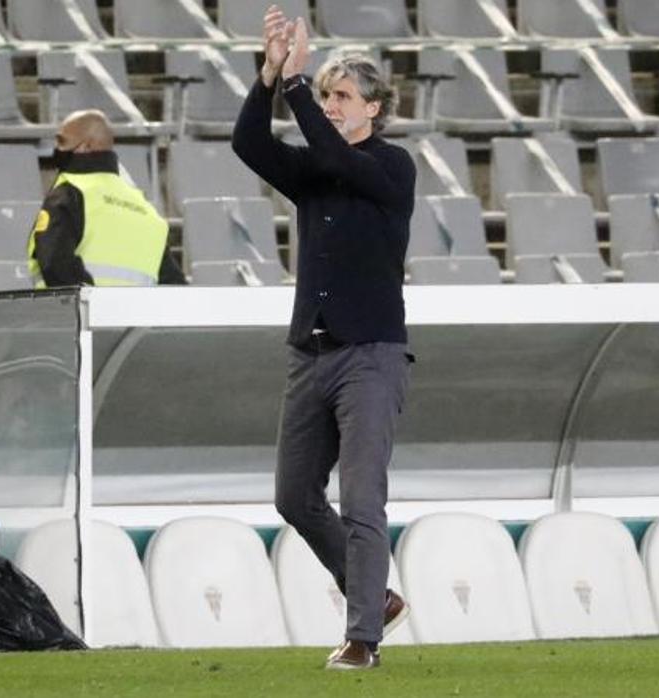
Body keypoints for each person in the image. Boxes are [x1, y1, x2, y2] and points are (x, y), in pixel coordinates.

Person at [232, 6, 416, 670]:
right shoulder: (315, 171)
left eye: (344, 96)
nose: (333, 105)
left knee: (362, 496)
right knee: (292, 495)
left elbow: (339, 157)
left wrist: (300, 87)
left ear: (373, 109)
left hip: (370, 354)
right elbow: (249, 145)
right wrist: (269, 79)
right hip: (309, 353)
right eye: (329, 94)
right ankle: (379, 598)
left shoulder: (393, 167)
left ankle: (362, 636)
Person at [28, 109, 184, 287]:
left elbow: (55, 264)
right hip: (136, 314)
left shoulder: (69, 194)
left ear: (86, 147)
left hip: (76, 313)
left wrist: (97, 304)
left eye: (62, 142)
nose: (56, 149)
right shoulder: (146, 210)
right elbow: (174, 286)